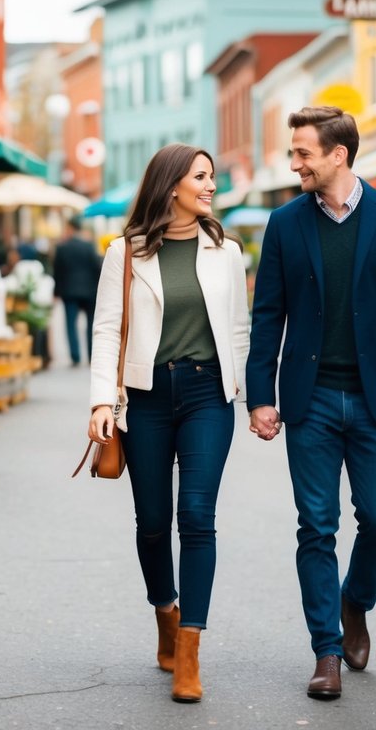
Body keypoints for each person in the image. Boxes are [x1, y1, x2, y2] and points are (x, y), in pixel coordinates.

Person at [246, 106, 376, 700]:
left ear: (338, 154)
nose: (294, 163)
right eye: (294, 152)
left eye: (302, 152)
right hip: (309, 401)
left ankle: (355, 601)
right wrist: (260, 396)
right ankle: (326, 650)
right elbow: (267, 316)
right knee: (316, 525)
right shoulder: (285, 223)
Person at [87, 143, 249, 704]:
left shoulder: (227, 251)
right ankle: (165, 610)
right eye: (201, 177)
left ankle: (189, 648)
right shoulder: (125, 252)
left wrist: (247, 394)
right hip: (145, 397)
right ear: (171, 184)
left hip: (208, 395)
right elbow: (107, 328)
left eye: (212, 177)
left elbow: (239, 329)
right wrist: (101, 401)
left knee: (197, 516)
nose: (211, 186)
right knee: (153, 521)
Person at [53, 217, 102, 367]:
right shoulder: (89, 246)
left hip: (69, 291)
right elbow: (98, 267)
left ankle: (75, 357)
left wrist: (56, 292)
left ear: (70, 228)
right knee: (91, 324)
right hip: (90, 291)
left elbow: (57, 272)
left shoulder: (62, 247)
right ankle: (91, 355)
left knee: (70, 325)